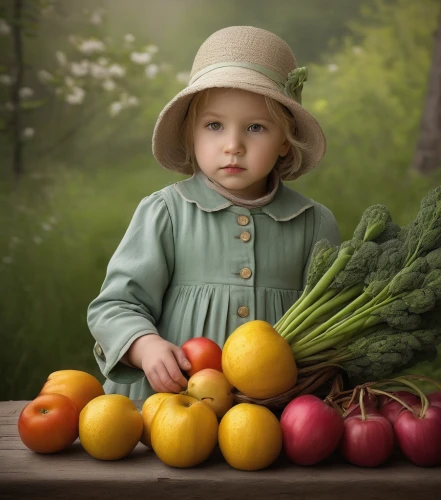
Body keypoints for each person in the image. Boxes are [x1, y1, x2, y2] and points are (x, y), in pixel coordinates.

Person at [88, 26, 341, 400]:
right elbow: (116, 305)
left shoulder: (313, 223)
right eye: (214, 126)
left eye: (256, 127)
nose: (233, 145)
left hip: (271, 415)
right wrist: (144, 346)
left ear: (285, 141)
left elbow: (330, 322)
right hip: (167, 409)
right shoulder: (166, 213)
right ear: (191, 134)